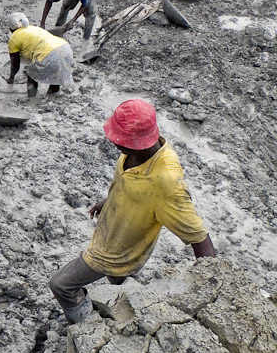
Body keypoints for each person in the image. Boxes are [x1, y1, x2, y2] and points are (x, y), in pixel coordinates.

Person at [49, 100, 216, 323]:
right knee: (125, 286)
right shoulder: (136, 155)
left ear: (139, 142)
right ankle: (133, 311)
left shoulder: (167, 183)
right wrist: (108, 201)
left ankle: (85, 325)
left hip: (114, 255)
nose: (113, 143)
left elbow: (199, 238)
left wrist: (212, 292)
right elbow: (130, 186)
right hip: (112, 239)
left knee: (60, 284)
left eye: (120, 140)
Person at [6, 12, 74, 98]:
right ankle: (51, 95)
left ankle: (31, 100)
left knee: (31, 74)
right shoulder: (34, 28)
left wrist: (11, 78)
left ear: (11, 28)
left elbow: (15, 64)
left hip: (48, 53)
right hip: (65, 48)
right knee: (57, 73)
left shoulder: (14, 37)